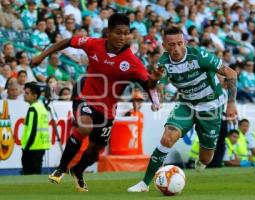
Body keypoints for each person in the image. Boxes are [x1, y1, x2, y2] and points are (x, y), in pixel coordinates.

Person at [31, 13, 162, 192]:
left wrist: (154, 88)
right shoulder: (93, 44)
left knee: (94, 152)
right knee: (85, 127)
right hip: (84, 98)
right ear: (108, 32)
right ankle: (61, 168)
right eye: (118, 33)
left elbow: (149, 84)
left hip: (107, 111)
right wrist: (41, 56)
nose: (122, 37)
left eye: (126, 33)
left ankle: (77, 170)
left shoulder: (132, 61)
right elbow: (67, 41)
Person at [128, 26, 237, 192]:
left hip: (211, 108)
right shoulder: (163, 63)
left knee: (206, 158)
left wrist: (231, 103)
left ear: (185, 42)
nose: (176, 48)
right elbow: (153, 85)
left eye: (179, 43)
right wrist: (154, 81)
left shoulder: (199, 55)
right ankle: (144, 183)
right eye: (171, 45)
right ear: (164, 45)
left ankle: (202, 162)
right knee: (167, 139)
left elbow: (231, 73)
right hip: (186, 105)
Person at [21, 82, 50, 175]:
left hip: (32, 148)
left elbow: (33, 130)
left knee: (28, 175)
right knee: (37, 174)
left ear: (34, 96)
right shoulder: (42, 108)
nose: (24, 95)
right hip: (41, 146)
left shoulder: (33, 109)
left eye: (27, 93)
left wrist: (26, 148)